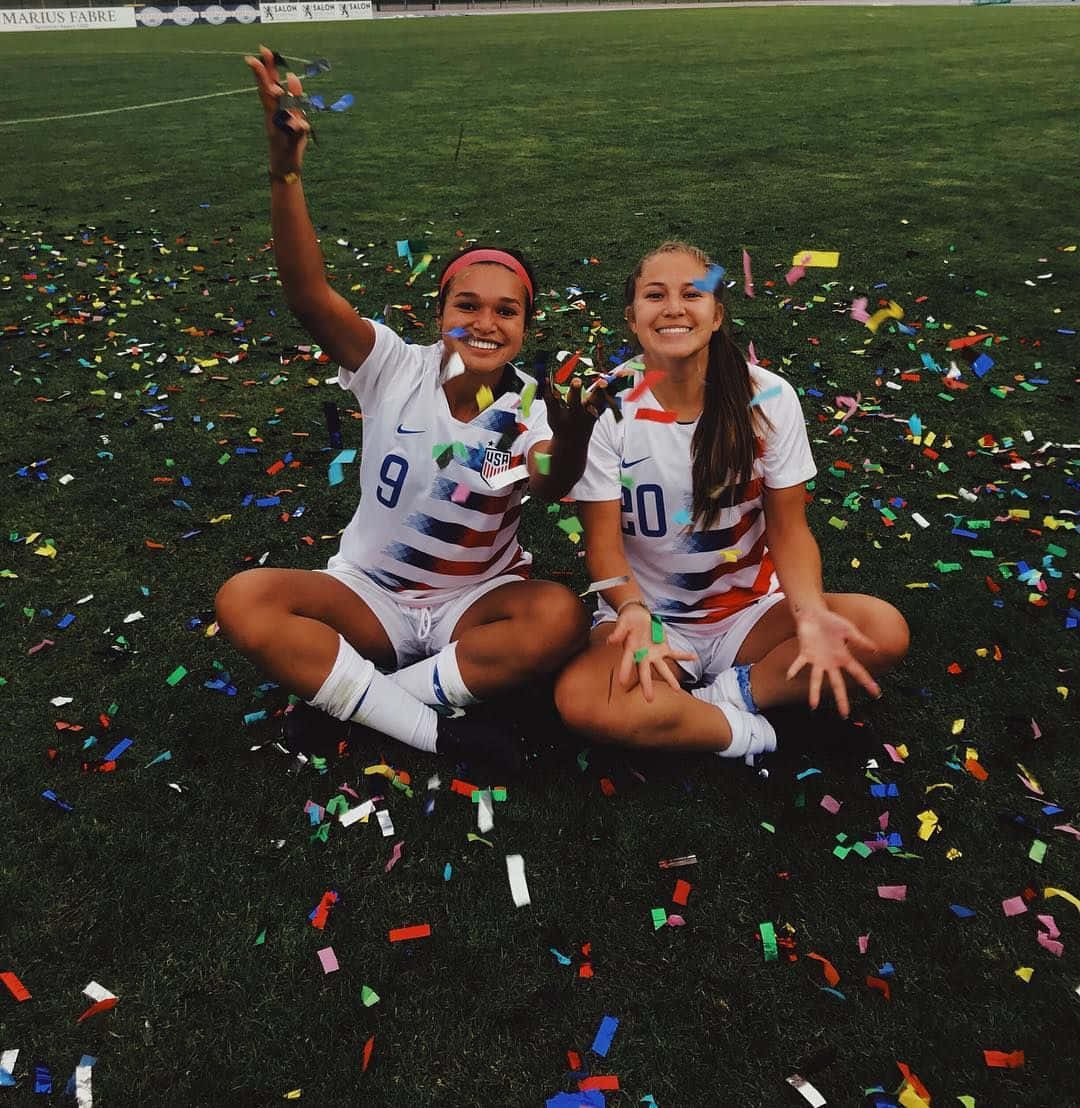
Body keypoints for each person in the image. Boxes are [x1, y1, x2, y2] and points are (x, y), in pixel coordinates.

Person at [215, 47, 602, 771]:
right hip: (370, 596)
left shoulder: (530, 404)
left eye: (506, 312)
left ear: (526, 326)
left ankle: (366, 704)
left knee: (557, 617)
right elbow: (308, 298)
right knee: (245, 599)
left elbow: (548, 481)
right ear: (438, 312)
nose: (485, 323)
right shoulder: (393, 364)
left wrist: (576, 432)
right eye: (467, 305)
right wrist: (285, 168)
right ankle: (429, 729)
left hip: (473, 607)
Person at [555, 242, 910, 763]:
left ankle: (724, 697)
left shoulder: (768, 397)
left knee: (882, 631)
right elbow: (602, 545)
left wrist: (809, 613)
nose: (674, 307)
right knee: (583, 702)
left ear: (717, 313)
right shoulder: (604, 406)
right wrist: (632, 611)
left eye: (692, 294)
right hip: (647, 617)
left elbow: (789, 529)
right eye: (655, 295)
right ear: (632, 317)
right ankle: (760, 735)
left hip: (748, 616)